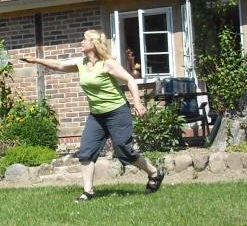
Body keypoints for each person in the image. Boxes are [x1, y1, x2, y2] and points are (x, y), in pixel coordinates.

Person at [22, 29, 165, 201]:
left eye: (84, 40)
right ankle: (88, 191)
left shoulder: (107, 64)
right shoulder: (81, 62)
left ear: (94, 44)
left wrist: (137, 102)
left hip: (117, 112)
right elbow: (59, 65)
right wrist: (36, 60)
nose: (81, 42)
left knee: (124, 150)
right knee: (86, 151)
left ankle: (154, 172)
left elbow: (129, 79)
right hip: (96, 116)